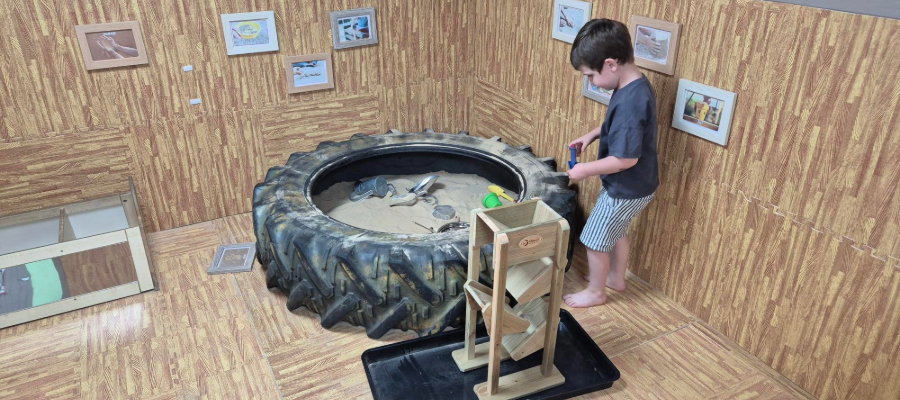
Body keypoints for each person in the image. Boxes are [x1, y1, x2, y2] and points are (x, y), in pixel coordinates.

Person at [564, 19, 659, 308]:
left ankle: (596, 291)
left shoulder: (631, 101)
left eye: (591, 75)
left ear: (610, 64)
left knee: (593, 239)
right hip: (640, 184)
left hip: (625, 187)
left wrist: (584, 169)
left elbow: (625, 159)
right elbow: (619, 128)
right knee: (616, 231)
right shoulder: (634, 85)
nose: (592, 82)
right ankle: (616, 278)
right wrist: (593, 135)